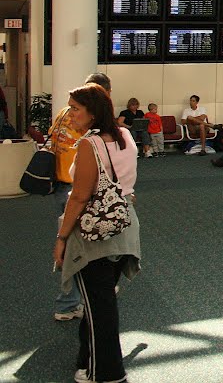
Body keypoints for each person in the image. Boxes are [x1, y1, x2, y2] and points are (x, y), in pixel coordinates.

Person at [54, 82, 140, 383]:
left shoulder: (90, 145)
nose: (71, 114)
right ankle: (87, 358)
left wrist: (62, 238)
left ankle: (106, 372)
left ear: (92, 112)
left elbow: (79, 197)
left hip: (94, 231)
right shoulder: (125, 135)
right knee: (100, 300)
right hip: (124, 224)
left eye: (75, 109)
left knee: (98, 304)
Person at [50, 73, 110, 322]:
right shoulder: (89, 126)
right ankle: (70, 303)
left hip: (59, 184)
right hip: (77, 191)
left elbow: (53, 140)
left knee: (74, 247)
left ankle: (73, 301)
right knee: (79, 248)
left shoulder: (64, 113)